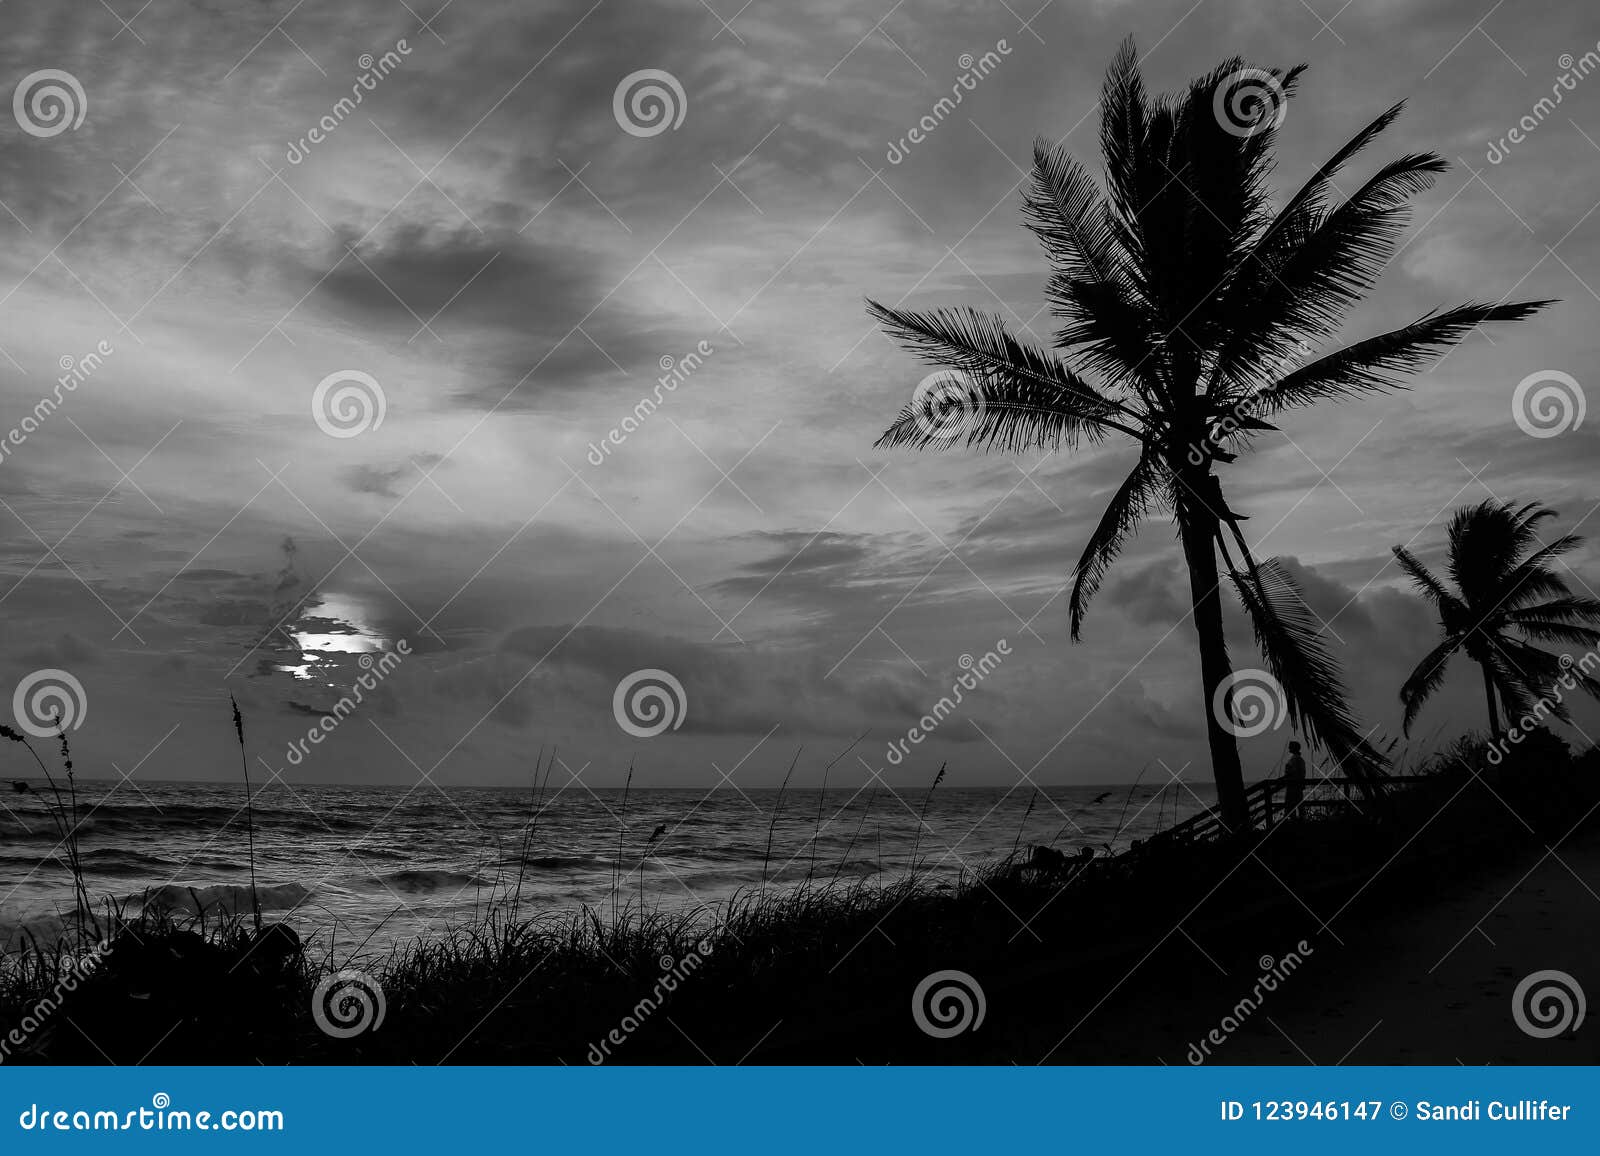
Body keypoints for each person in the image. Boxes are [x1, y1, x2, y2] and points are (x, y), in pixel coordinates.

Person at [1283, 741, 1307, 819]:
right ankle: (1299, 821)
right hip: (1297, 786)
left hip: (1293, 786)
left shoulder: (1295, 759)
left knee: (1291, 805)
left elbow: (1293, 772)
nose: (1289, 748)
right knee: (1298, 805)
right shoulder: (1298, 759)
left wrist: (1285, 777)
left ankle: (1295, 822)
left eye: (1290, 746)